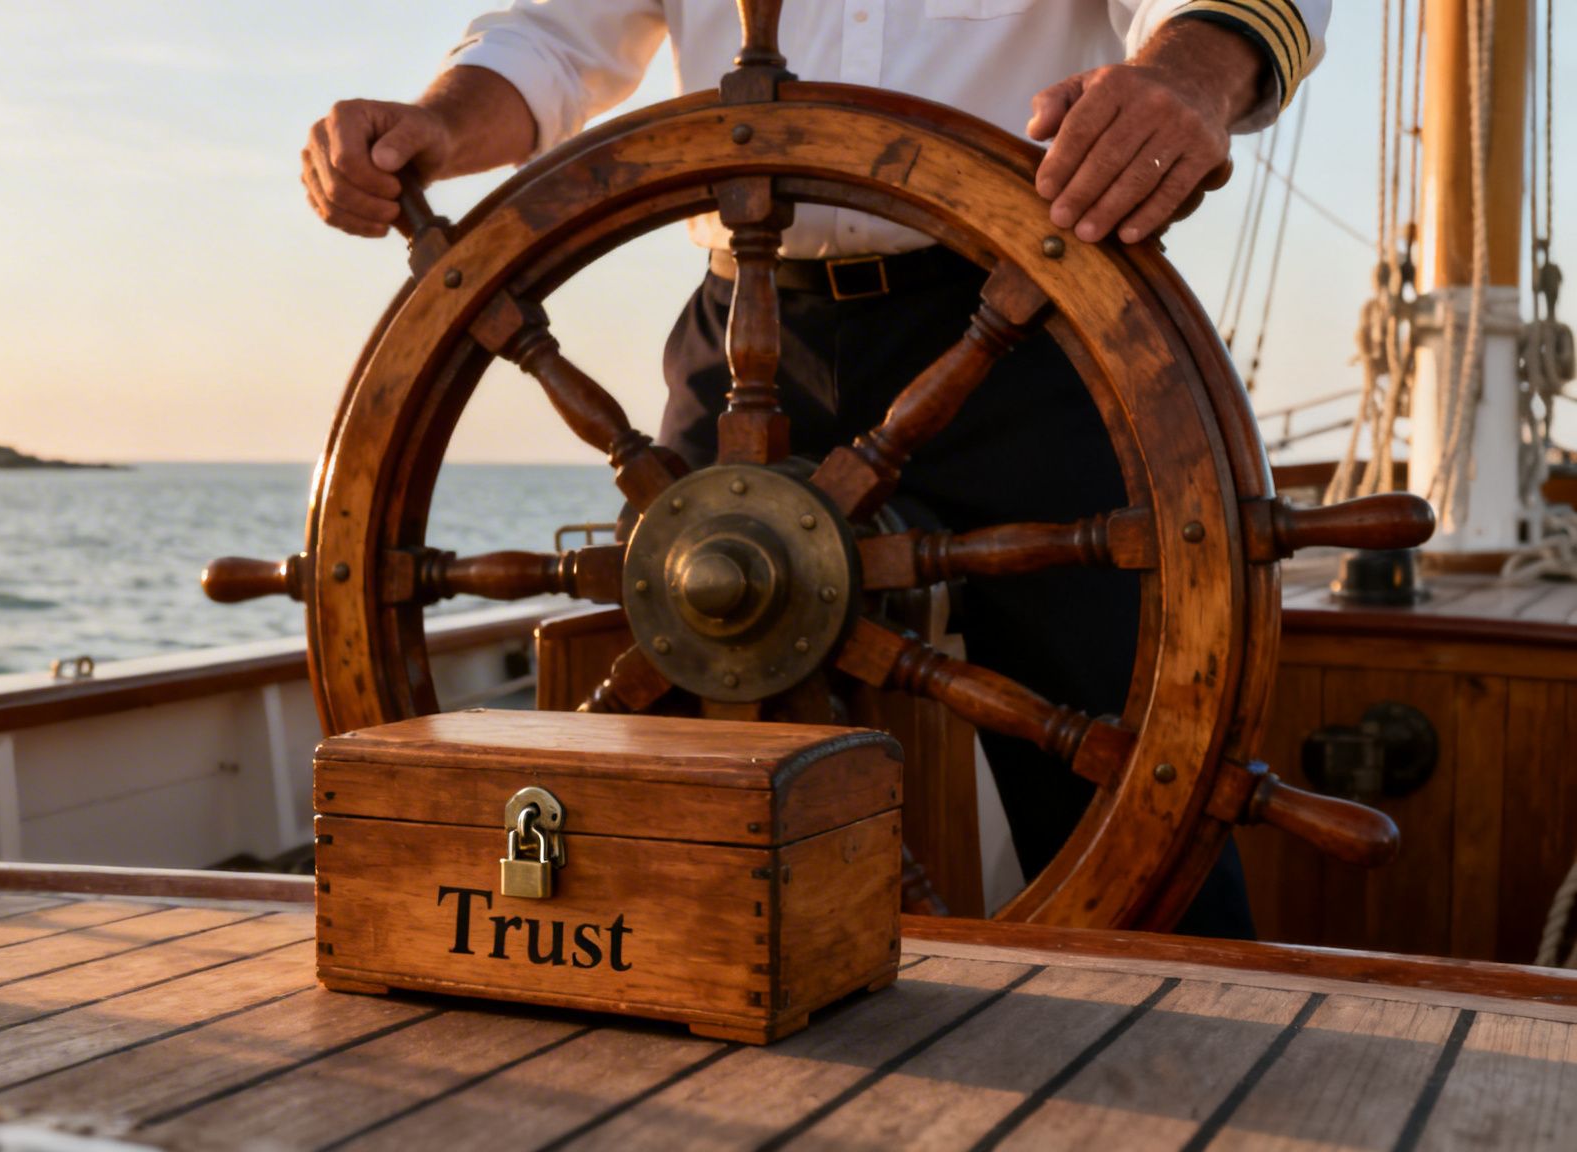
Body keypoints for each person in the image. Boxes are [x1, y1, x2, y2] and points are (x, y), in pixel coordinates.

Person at [300, 1, 1330, 938]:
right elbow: (558, 37)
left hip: (1015, 320)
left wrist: (1186, 76)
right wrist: (437, 123)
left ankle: (1197, 1055)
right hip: (752, 329)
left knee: (1139, 775)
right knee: (687, 711)